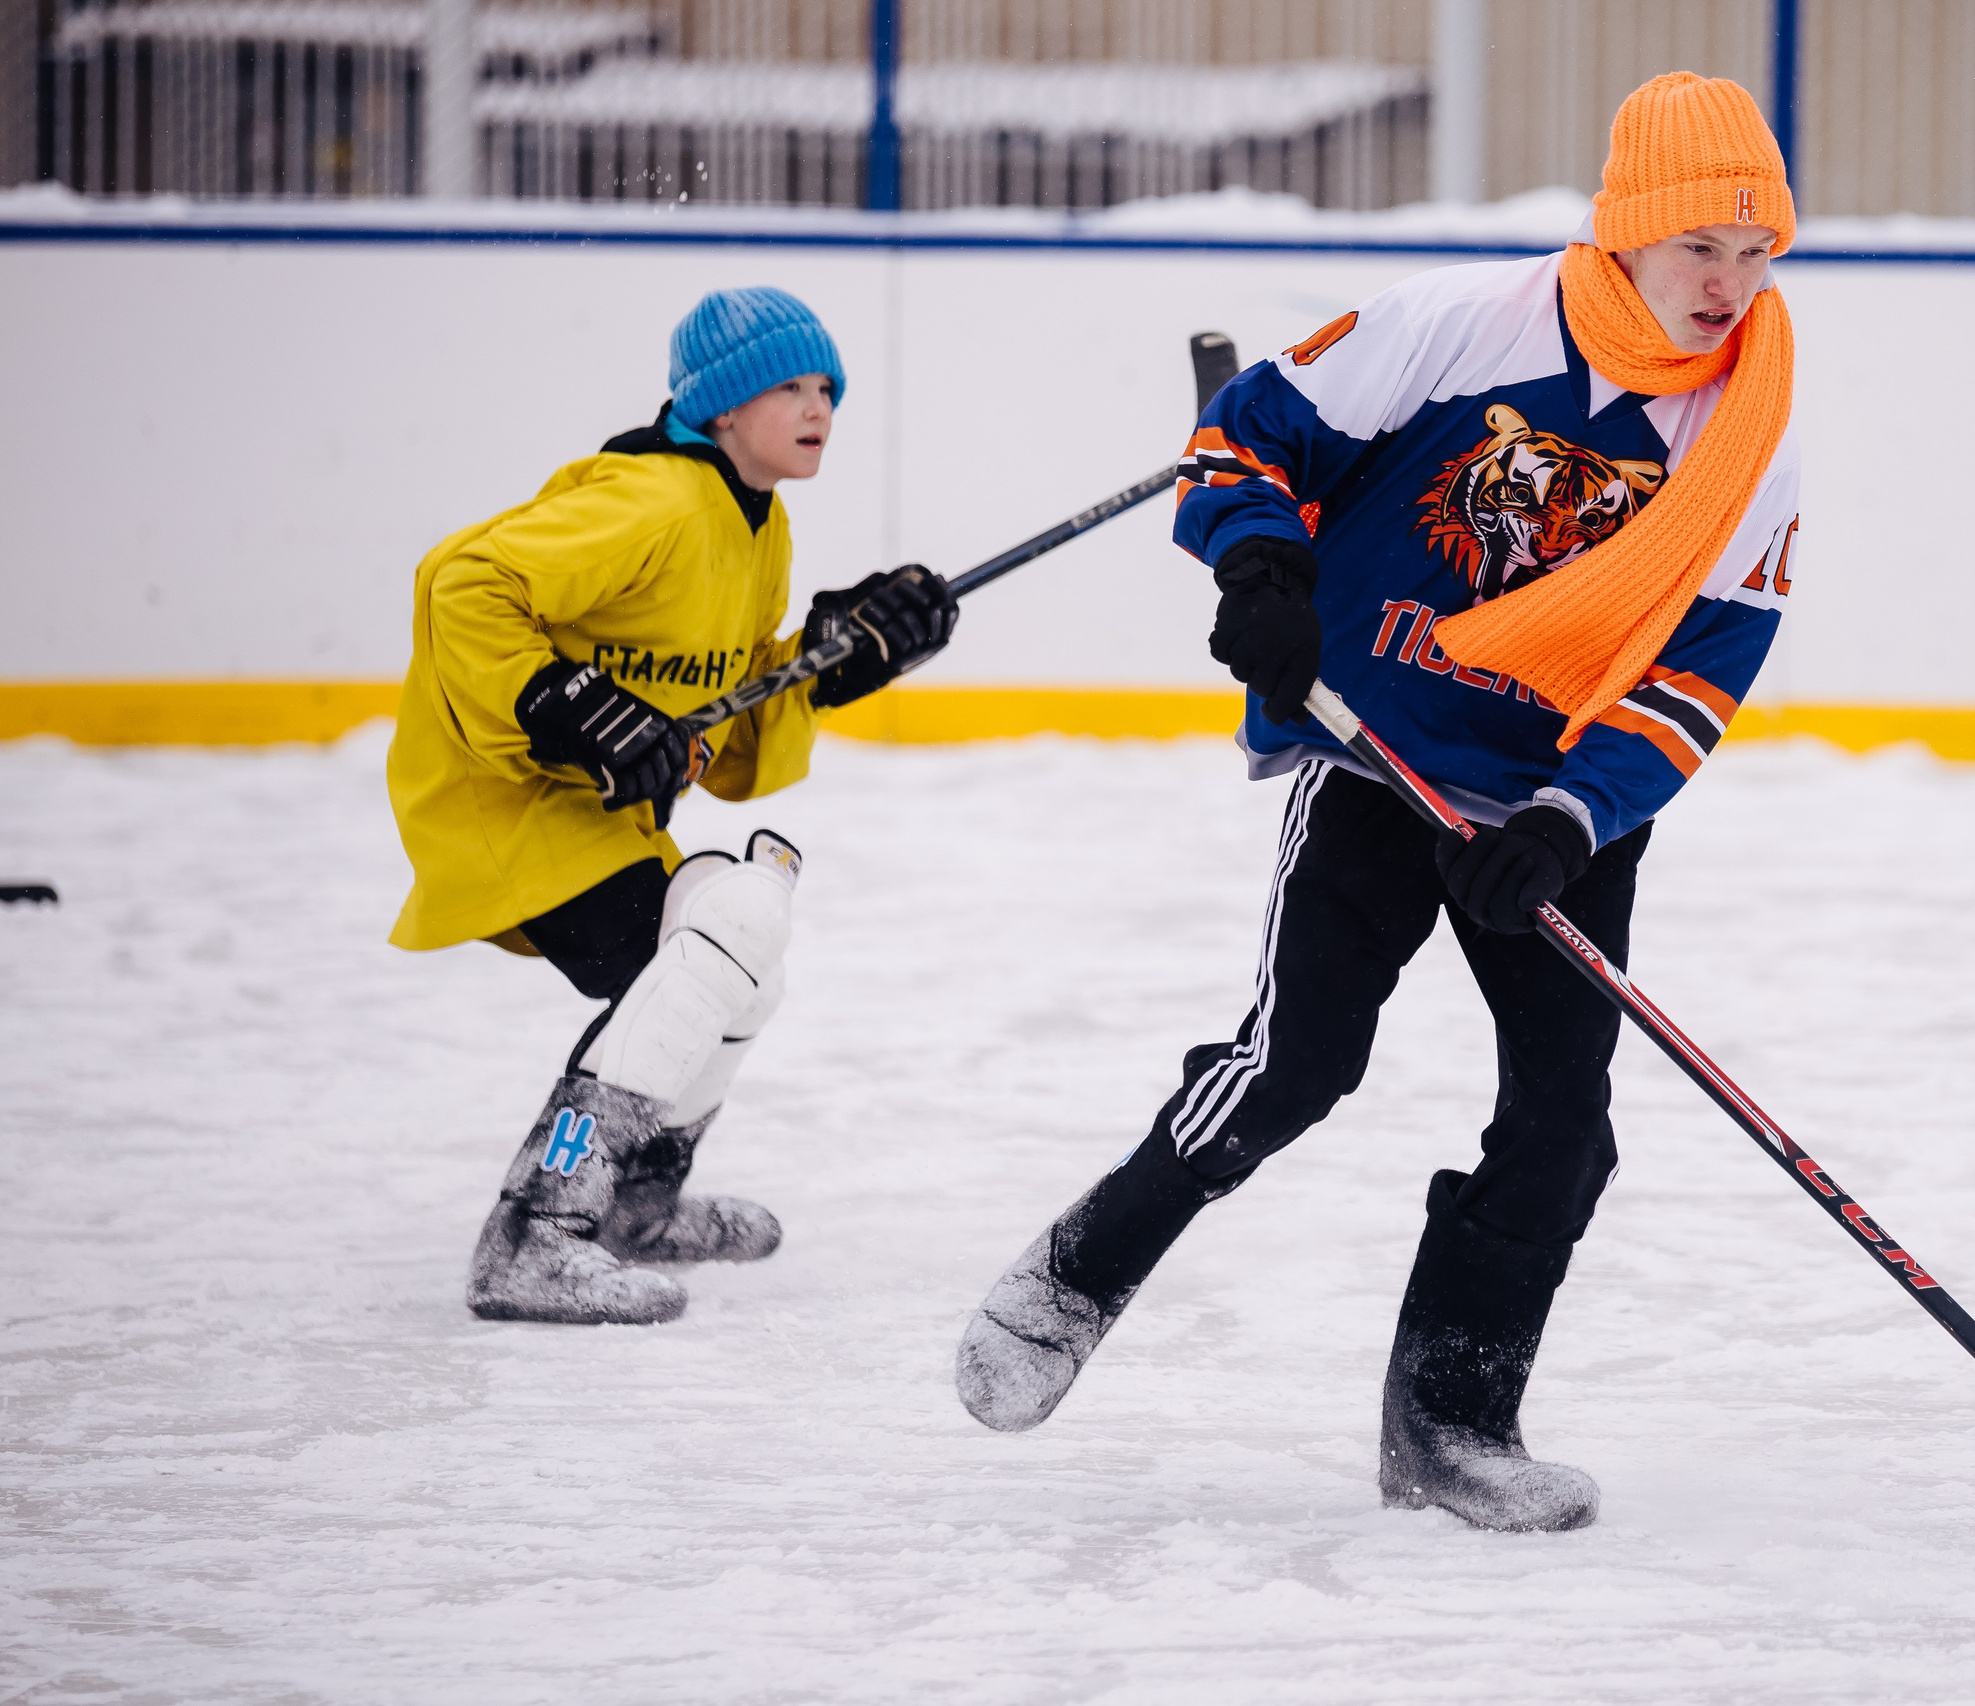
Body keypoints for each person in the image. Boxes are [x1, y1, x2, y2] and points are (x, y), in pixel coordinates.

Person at [952, 74, 1804, 1531]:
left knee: (1564, 1124)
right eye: (1698, 250)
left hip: (1550, 806)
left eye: (1755, 254)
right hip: (1373, 749)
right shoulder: (1464, 322)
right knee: (1300, 1062)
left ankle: (1454, 1424)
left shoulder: (1754, 423)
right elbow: (1245, 435)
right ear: (1628, 236)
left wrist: (1567, 819)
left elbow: (1702, 667)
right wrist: (1263, 568)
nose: (1727, 286)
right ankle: (1079, 1265)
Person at [385, 286, 959, 1326]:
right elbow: (458, 583)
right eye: (787, 383)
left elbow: (724, 744)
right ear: (722, 406)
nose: (816, 403)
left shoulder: (758, 528)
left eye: (826, 385)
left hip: (590, 810)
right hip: (504, 791)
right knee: (707, 940)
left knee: (745, 965)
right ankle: (535, 1232)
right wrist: (562, 702)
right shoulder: (651, 497)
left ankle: (634, 1207)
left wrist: (824, 667)